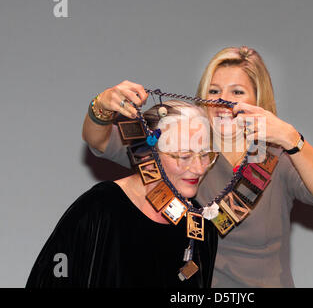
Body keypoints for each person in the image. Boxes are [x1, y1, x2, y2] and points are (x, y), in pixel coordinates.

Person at [81, 46, 313, 287]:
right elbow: (99, 141)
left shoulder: (274, 156)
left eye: (237, 92)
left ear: (258, 99)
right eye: (214, 91)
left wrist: (290, 137)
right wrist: (101, 105)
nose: (222, 101)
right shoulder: (180, 147)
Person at [26, 101, 218, 288]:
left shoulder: (201, 229)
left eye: (205, 155)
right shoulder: (101, 208)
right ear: (147, 155)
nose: (199, 168)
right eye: (184, 156)